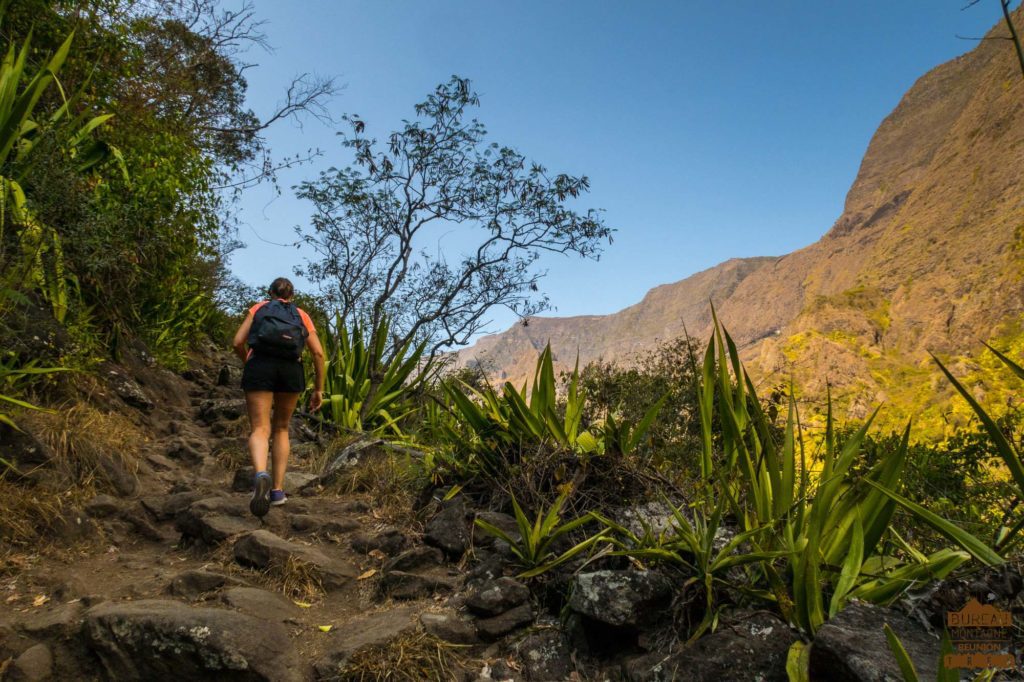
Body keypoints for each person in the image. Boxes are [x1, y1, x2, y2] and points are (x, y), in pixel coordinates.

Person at [232, 277, 325, 518]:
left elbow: (237, 341)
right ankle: (276, 491)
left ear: (270, 293)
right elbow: (318, 352)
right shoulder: (301, 315)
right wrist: (318, 389)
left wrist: (248, 362)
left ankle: (261, 473)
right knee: (281, 428)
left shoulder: (259, 308)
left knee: (260, 429)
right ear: (292, 296)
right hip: (290, 370)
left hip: (259, 365)